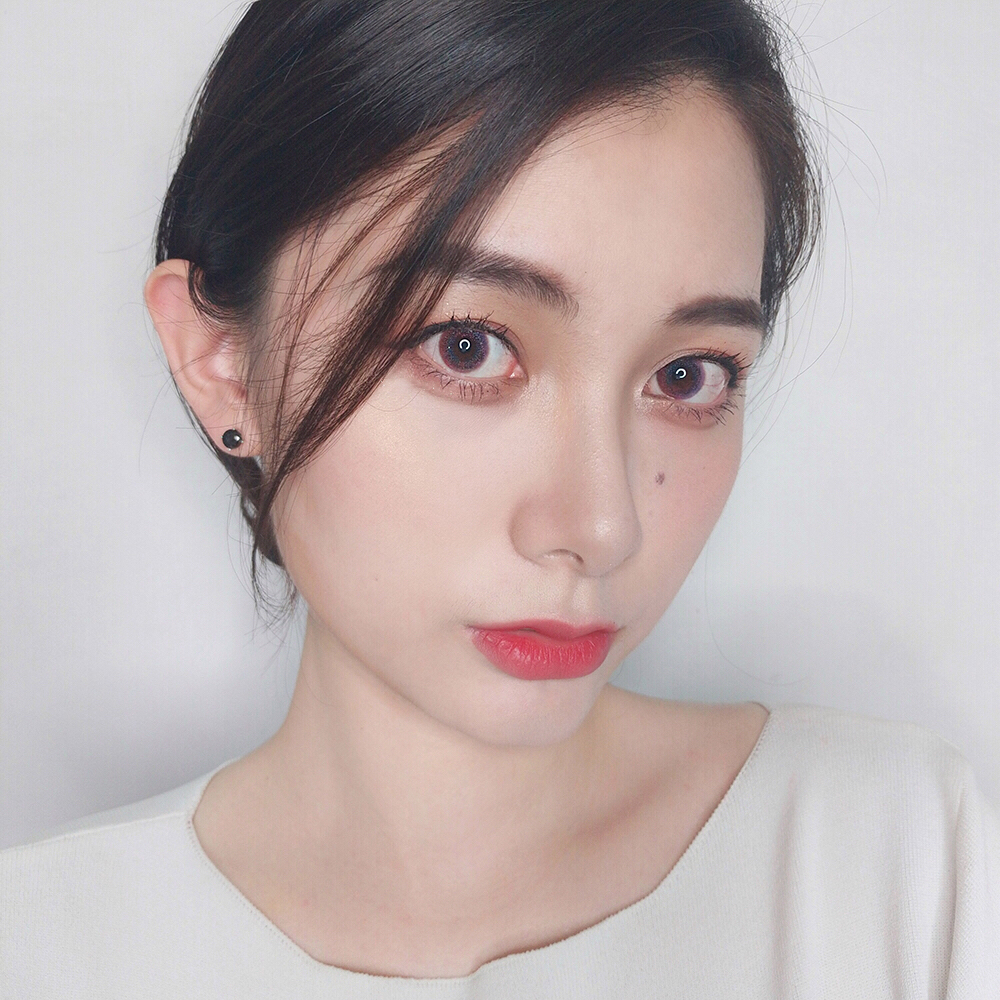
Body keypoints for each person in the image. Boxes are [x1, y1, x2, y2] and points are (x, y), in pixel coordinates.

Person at [3, 1, 998, 995]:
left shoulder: (901, 870)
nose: (600, 526)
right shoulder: (43, 948)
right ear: (221, 362)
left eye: (688, 375)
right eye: (467, 346)